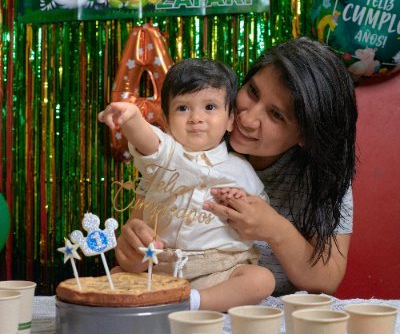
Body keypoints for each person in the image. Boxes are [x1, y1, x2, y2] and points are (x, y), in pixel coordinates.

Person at [114, 37, 358, 298]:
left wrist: (275, 229)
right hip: (171, 287)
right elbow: (139, 230)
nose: (247, 118)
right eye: (252, 91)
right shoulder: (196, 138)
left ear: (306, 135)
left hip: (257, 316)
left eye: (276, 115)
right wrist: (133, 249)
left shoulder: (321, 178)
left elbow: (326, 280)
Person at [98, 58, 275, 311]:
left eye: (210, 106)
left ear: (230, 120)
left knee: (260, 280)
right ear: (166, 121)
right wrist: (132, 120)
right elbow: (150, 144)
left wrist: (241, 200)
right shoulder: (167, 157)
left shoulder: (240, 169)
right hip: (162, 266)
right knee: (115, 274)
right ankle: (165, 298)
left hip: (218, 269)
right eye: (183, 108)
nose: (196, 118)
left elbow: (258, 214)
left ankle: (193, 302)